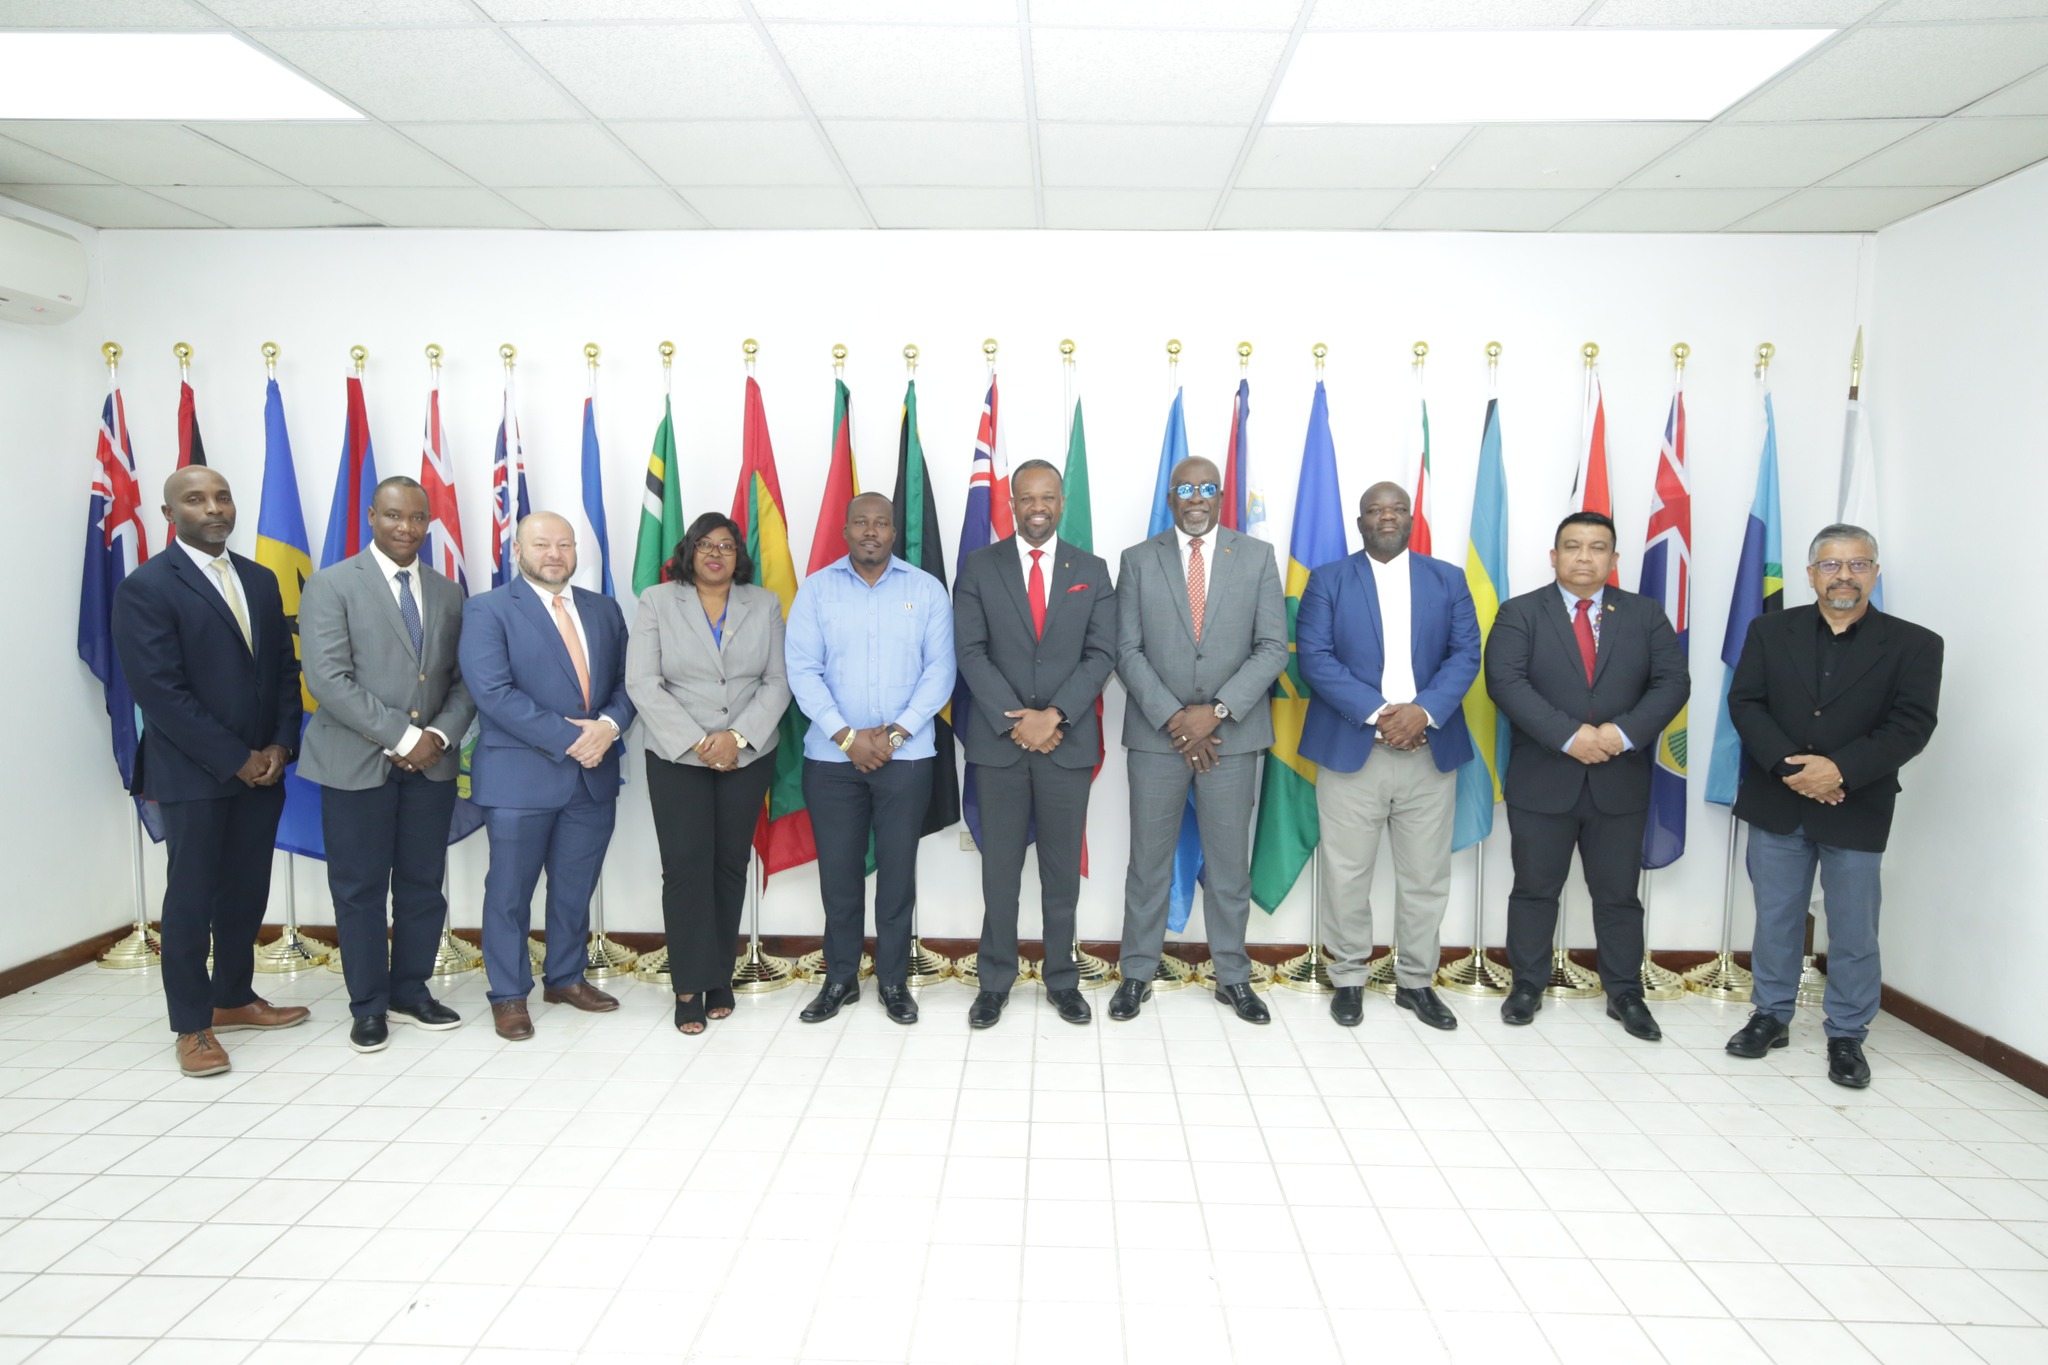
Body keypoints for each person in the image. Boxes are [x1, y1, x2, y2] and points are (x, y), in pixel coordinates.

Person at [1725, 525, 1941, 1089]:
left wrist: (1837, 770)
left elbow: (1912, 726)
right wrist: (1794, 771)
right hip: (1779, 801)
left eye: (1858, 564)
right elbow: (1745, 704)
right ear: (1811, 573)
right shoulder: (1769, 630)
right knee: (1776, 919)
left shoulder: (1917, 644)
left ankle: (1847, 1034)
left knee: (1853, 930)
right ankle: (1770, 1017)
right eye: (1831, 565)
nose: (1844, 576)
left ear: (1875, 572)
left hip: (1857, 804)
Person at [111, 468, 308, 1078]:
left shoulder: (259, 578)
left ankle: (233, 997)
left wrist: (279, 745)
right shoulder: (146, 587)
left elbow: (283, 671)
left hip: (264, 769)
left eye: (222, 497)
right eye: (196, 500)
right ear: (169, 514)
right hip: (194, 773)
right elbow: (160, 693)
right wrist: (235, 758)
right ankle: (192, 1025)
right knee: (192, 901)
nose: (214, 508)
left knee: (245, 892)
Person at [1486, 511, 1688, 1041]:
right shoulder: (1519, 613)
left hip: (1619, 779)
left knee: (1618, 895)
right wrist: (1570, 735)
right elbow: (1505, 682)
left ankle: (1625, 993)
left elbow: (1672, 682)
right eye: (1572, 546)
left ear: (1613, 559)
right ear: (1554, 556)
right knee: (1534, 890)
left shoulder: (1645, 614)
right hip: (1543, 777)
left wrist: (1619, 734)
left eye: (1597, 547)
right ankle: (1526, 986)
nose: (1584, 556)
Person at [299, 476, 475, 1054]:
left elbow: (462, 681)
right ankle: (368, 1005)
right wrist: (403, 737)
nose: (407, 527)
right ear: (372, 516)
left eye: (418, 518)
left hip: (432, 767)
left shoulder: (448, 591)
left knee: (423, 886)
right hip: (355, 764)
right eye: (394, 516)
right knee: (360, 890)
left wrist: (438, 737)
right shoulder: (331, 584)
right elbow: (327, 678)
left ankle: (410, 992)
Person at [1109, 457, 1288, 1026]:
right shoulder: (1138, 560)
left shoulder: (1256, 556)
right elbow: (1126, 651)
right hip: (1157, 738)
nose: (1196, 497)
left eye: (1207, 487)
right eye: (1185, 488)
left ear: (1220, 495)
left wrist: (1216, 713)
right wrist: (1176, 719)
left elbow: (1272, 647)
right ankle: (1136, 972)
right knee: (1148, 863)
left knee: (1230, 865)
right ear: (1171, 498)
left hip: (1232, 737)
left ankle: (1232, 977)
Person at [1296, 482, 1481, 1031]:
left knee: (1426, 875)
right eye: (1376, 510)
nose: (1387, 517)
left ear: (1411, 519)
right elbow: (1315, 659)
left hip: (1429, 750)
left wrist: (1423, 712)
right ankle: (1349, 978)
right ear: (1360, 522)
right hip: (1354, 748)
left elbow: (1466, 655)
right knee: (1346, 872)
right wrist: (1381, 714)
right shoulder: (1328, 580)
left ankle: (1416, 982)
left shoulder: (1447, 579)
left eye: (1398, 509)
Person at [460, 512, 636, 1042]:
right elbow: (493, 693)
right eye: (541, 544)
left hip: (592, 778)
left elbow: (629, 683)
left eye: (564, 544)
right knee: (509, 893)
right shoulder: (488, 609)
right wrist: (573, 738)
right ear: (517, 550)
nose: (554, 554)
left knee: (574, 888)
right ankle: (508, 994)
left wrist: (608, 727)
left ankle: (565, 978)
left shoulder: (604, 610)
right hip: (519, 779)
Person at [954, 459, 1117, 1029]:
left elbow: (1102, 653)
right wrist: (1018, 723)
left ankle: (1062, 980)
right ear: (1012, 504)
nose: (1038, 507)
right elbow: (970, 651)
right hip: (1000, 745)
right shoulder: (980, 566)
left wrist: (1054, 717)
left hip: (1066, 745)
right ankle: (994, 982)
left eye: (1048, 496)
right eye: (1027, 497)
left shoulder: (1091, 570)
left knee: (1060, 874)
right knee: (999, 873)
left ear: (1061, 502)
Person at [785, 492, 956, 1026]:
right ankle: (840, 979)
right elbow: (802, 670)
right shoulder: (816, 591)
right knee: (839, 876)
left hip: (907, 759)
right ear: (846, 530)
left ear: (893, 533)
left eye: (881, 523)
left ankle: (893, 981)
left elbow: (940, 671)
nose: (871, 531)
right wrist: (846, 738)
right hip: (831, 761)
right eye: (861, 522)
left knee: (898, 876)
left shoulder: (925, 590)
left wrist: (895, 735)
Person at [626, 511, 790, 1035]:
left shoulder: (764, 603)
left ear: (739, 555)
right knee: (685, 866)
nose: (715, 553)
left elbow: (778, 681)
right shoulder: (657, 601)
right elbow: (642, 682)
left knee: (728, 864)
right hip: (677, 754)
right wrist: (701, 742)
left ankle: (719, 974)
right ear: (688, 551)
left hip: (747, 753)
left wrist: (736, 738)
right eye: (704, 544)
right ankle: (688, 985)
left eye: (726, 545)